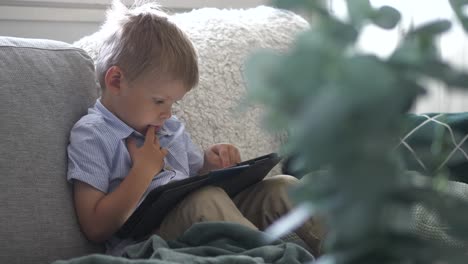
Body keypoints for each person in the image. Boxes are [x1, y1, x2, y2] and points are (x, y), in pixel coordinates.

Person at [67, 1, 323, 257]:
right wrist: (142, 172)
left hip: (202, 214)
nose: (167, 112)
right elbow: (95, 227)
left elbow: (191, 181)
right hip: (145, 241)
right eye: (159, 101)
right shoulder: (93, 134)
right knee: (206, 199)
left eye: (173, 102)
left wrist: (212, 167)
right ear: (116, 81)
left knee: (282, 187)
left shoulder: (169, 127)